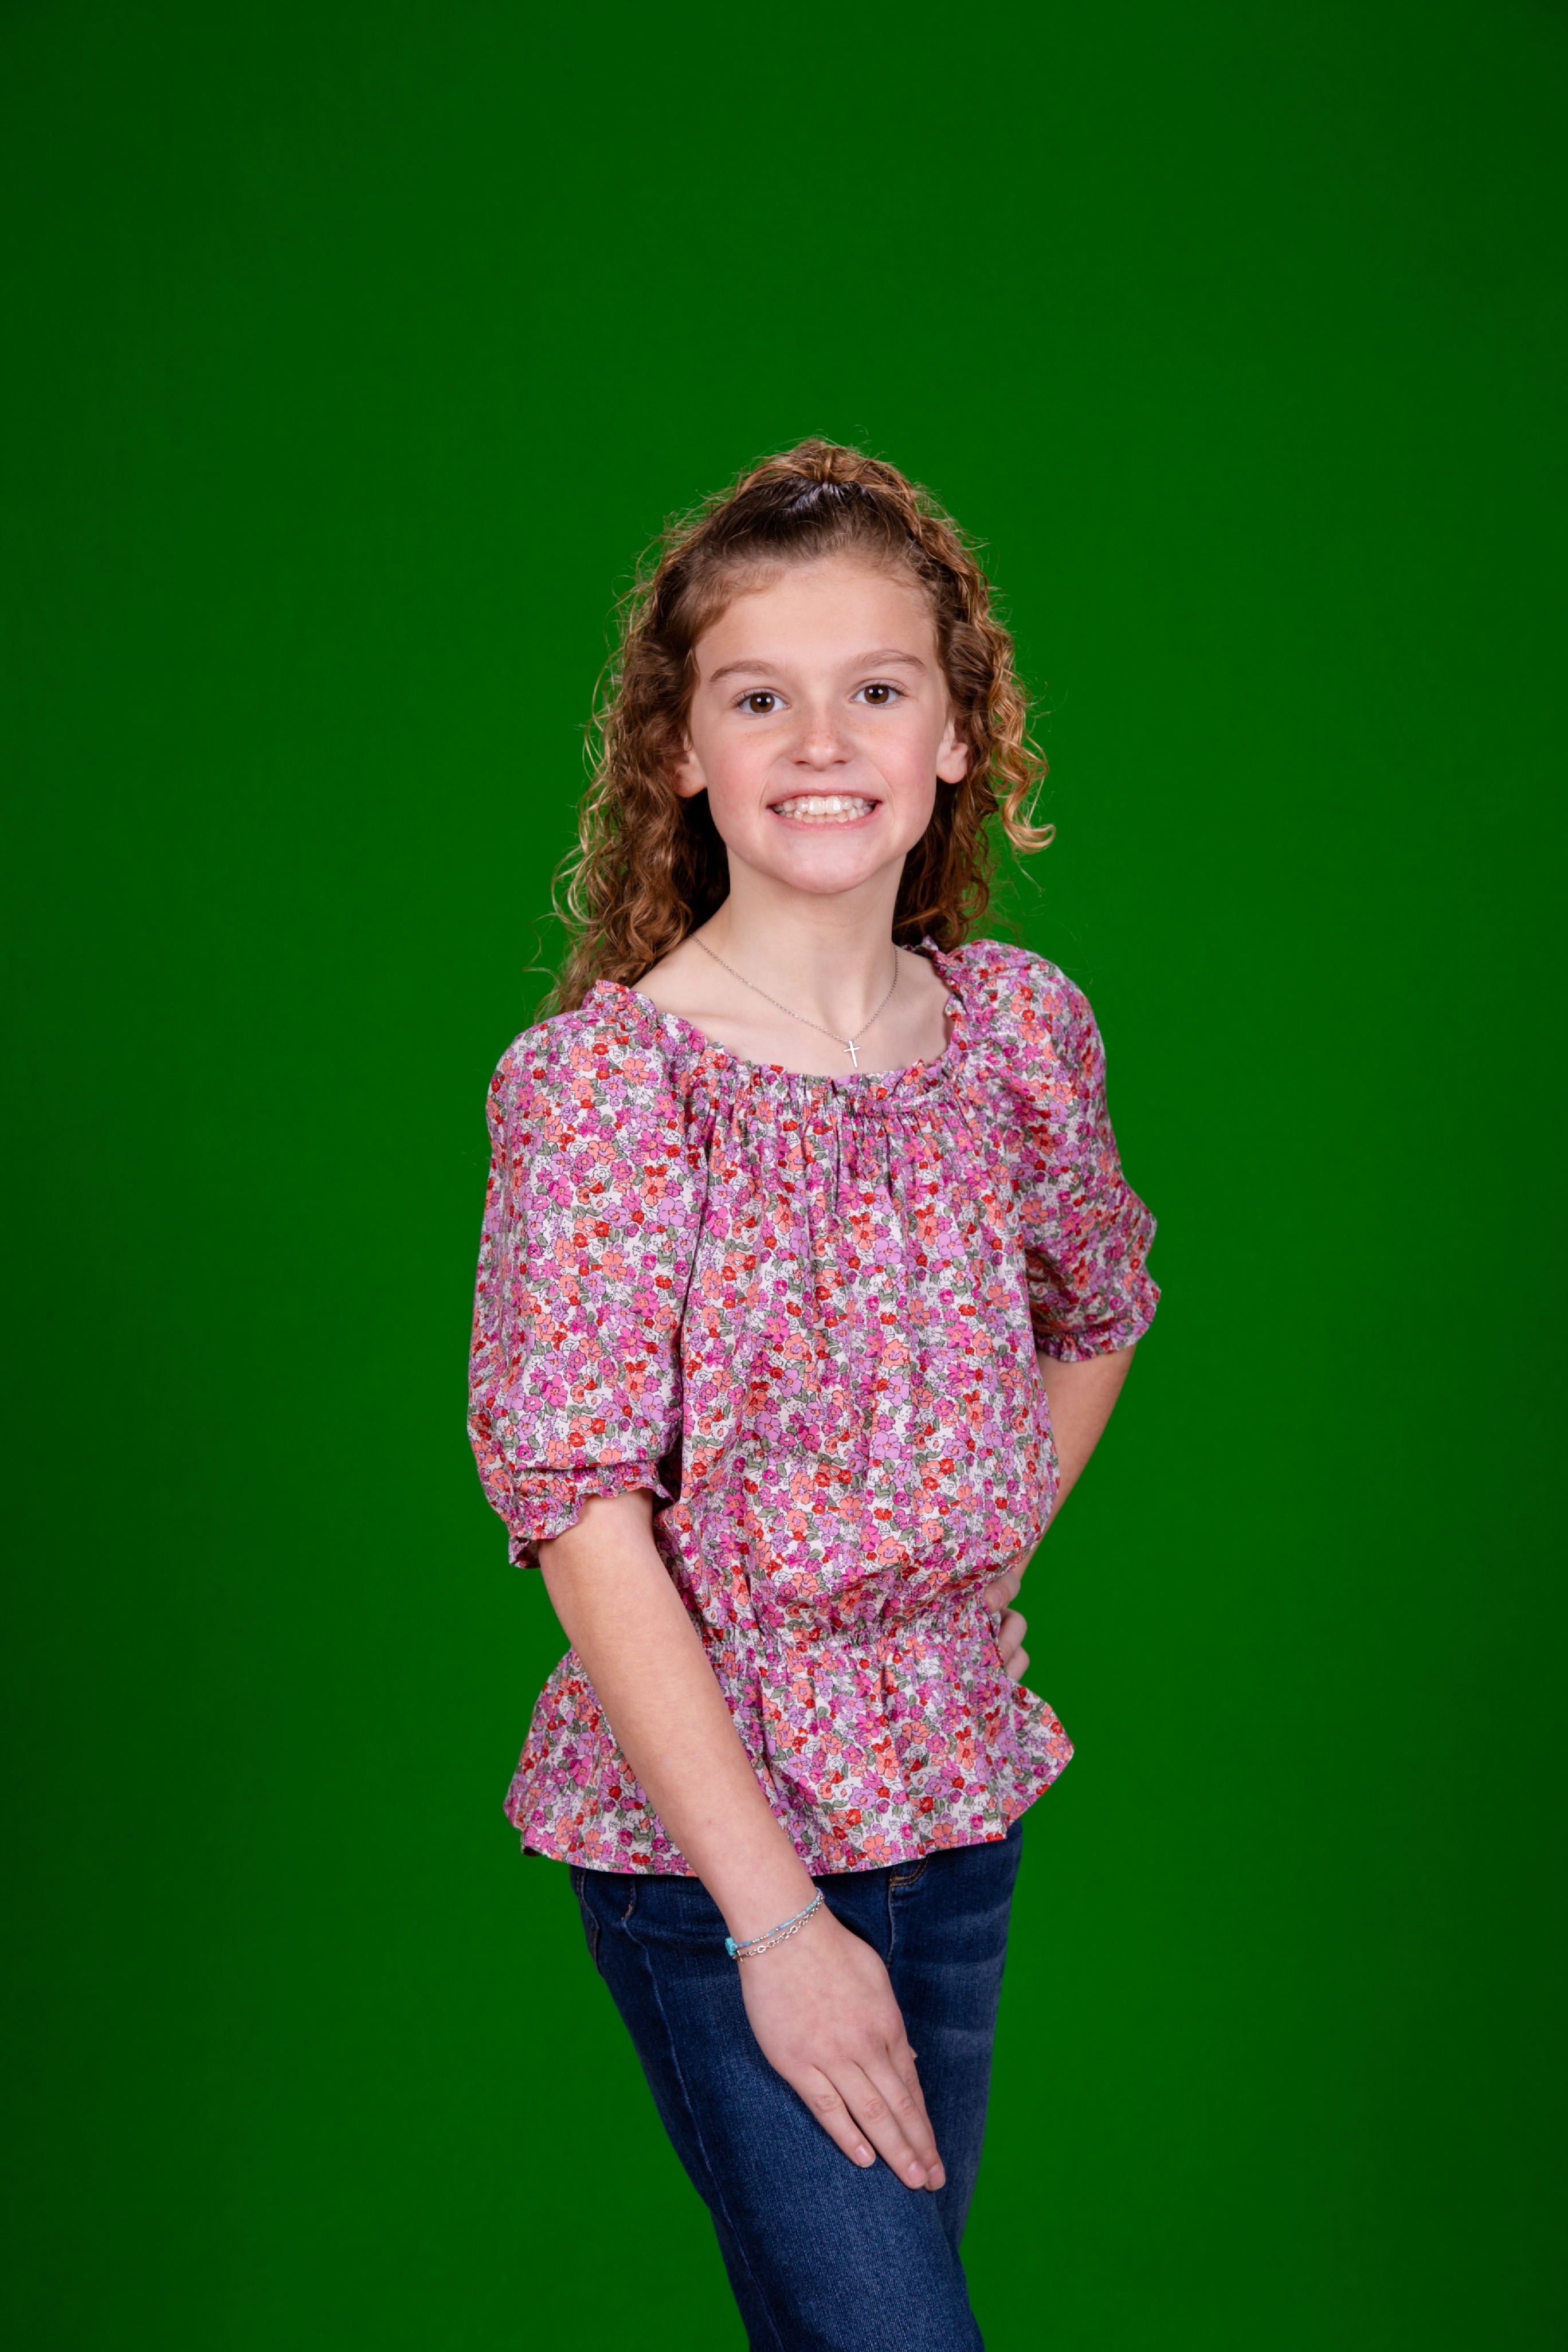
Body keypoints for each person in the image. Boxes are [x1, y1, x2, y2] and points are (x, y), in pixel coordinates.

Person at [468, 440, 1157, 2349]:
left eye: (877, 688)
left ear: (958, 734)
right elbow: (579, 1512)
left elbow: (1098, 1307)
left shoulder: (1018, 1035)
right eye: (759, 697)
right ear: (683, 751)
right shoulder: (610, 1089)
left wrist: (961, 1560)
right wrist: (778, 1929)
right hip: (714, 1843)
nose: (823, 742)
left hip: (953, 1791)